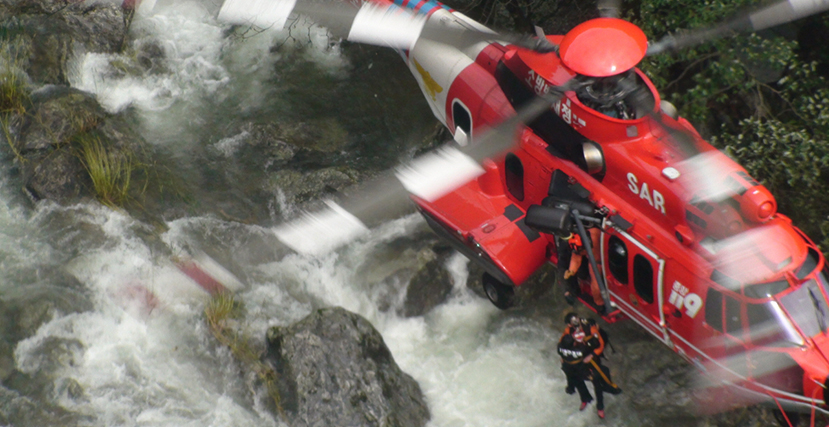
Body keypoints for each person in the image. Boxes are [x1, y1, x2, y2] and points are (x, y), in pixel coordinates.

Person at [563, 228, 606, 314]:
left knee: (597, 285)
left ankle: (600, 303)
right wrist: (571, 271)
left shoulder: (594, 235)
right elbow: (576, 258)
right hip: (595, 263)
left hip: (602, 259)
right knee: (596, 286)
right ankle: (600, 304)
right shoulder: (577, 243)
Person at [557, 333, 593, 411]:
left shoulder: (559, 347)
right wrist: (583, 343)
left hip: (567, 366)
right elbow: (588, 350)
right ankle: (586, 399)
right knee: (580, 383)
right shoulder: (580, 350)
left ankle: (571, 389)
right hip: (578, 368)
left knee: (569, 377)